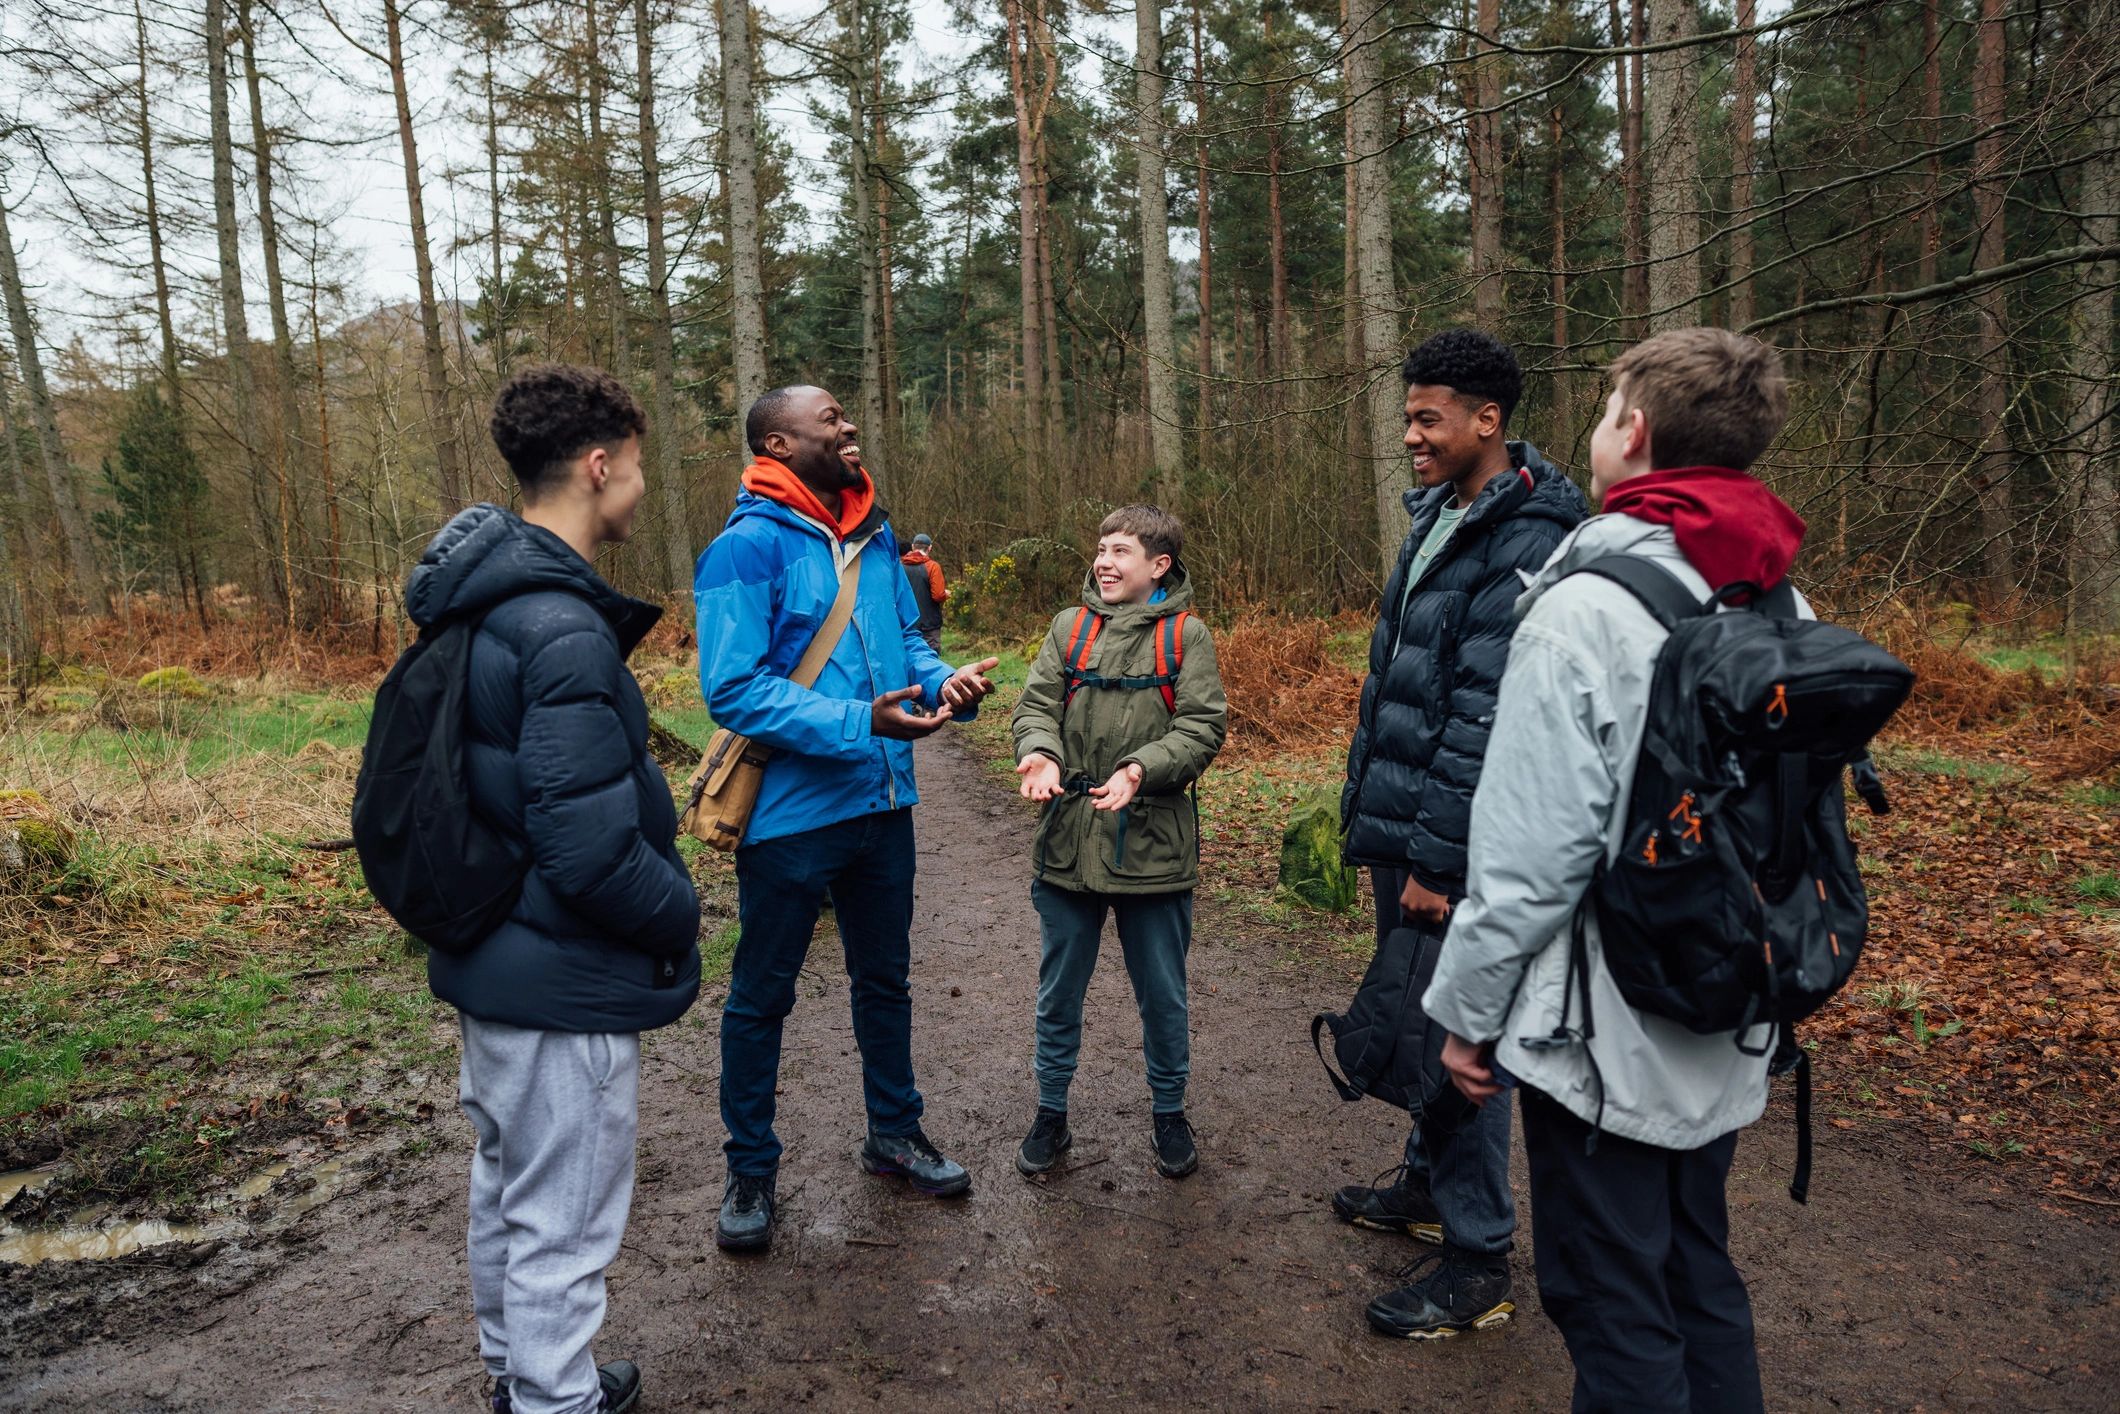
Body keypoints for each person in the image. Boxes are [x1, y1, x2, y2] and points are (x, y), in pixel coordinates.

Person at [1426, 327, 1803, 1411]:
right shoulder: (1777, 595)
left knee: (1609, 1300)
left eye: (1600, 411)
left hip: (1602, 1030)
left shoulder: (1583, 607)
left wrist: (1464, 1012)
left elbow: (1528, 854)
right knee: (1695, 1276)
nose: (1592, 430)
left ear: (1630, 433)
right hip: (1726, 1002)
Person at [404, 364, 703, 1414]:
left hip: (494, 955)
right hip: (557, 975)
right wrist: (681, 913)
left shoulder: (484, 600)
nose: (639, 490)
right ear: (597, 463)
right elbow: (588, 852)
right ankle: (554, 1401)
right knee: (562, 1213)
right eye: (635, 469)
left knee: (508, 1185)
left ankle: (523, 1375)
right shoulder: (559, 624)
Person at [694, 385, 1001, 1254]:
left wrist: (943, 683)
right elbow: (733, 690)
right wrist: (858, 720)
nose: (849, 424)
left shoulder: (875, 538)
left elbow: (909, 643)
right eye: (829, 418)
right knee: (762, 999)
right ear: (779, 445)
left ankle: (893, 1134)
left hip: (884, 806)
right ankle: (750, 1168)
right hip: (790, 821)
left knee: (886, 982)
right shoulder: (742, 551)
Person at [1334, 329, 1587, 1338]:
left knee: (1458, 1041)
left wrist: (1439, 861)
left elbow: (1481, 716)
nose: (1409, 436)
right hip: (1403, 817)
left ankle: (1476, 1255)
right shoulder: (1440, 513)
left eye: (1425, 418)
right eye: (1406, 417)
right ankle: (1427, 1185)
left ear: (1488, 420)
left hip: (1450, 842)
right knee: (1414, 1019)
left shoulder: (1524, 535)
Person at [1009, 505, 1227, 1179]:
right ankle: (1051, 1115)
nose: (1103, 561)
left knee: (1163, 994)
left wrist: (1140, 769)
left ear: (1159, 566)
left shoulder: (1186, 637)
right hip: (1067, 844)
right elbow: (1035, 704)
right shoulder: (1067, 629)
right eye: (1101, 549)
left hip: (1154, 851)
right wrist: (1040, 753)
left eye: (1121, 551)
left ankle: (1169, 1114)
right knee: (1057, 992)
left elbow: (1202, 727)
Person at [901, 532, 950, 654]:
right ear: (930, 548)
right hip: (929, 625)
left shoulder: (899, 567)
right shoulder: (933, 567)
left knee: (909, 659)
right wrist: (946, 594)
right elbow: (938, 595)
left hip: (906, 624)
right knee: (931, 660)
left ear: (913, 547)